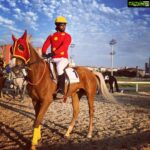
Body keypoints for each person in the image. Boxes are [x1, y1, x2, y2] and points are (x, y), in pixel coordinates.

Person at [42, 16, 72, 99]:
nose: (64, 27)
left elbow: (64, 47)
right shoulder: (51, 36)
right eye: (62, 25)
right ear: (57, 25)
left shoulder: (68, 36)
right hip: (52, 58)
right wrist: (44, 53)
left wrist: (53, 53)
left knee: (59, 68)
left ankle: (61, 90)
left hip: (62, 58)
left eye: (65, 25)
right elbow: (45, 45)